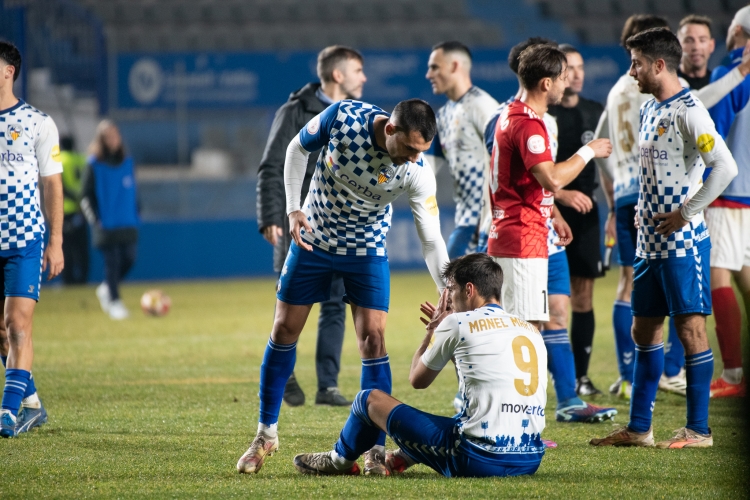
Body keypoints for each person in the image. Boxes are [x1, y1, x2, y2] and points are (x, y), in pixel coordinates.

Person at [237, 98, 450, 475]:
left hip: (366, 251)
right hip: (314, 240)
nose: (415, 159)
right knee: (284, 328)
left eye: (422, 152)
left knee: (374, 339)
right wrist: (292, 208)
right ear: (390, 130)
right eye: (410, 148)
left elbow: (431, 239)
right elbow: (296, 148)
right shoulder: (344, 117)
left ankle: (374, 448)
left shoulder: (417, 172)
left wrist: (445, 288)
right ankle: (265, 435)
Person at [591, 28, 738, 449]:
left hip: (683, 242)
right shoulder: (649, 109)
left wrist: (686, 213)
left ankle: (699, 430)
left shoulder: (689, 111)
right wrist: (642, 207)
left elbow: (724, 167)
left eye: (636, 62)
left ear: (659, 64)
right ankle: (640, 429)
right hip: (648, 244)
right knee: (644, 329)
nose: (631, 70)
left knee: (690, 329)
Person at [292, 254, 548, 478]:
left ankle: (339, 461)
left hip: (480, 459)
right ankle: (404, 457)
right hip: (531, 459)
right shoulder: (531, 331)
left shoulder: (458, 323)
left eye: (451, 290)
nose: (448, 299)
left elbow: (417, 379)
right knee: (466, 418)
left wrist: (433, 332)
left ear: (469, 290)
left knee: (367, 400)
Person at [483, 37, 616, 424]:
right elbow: (553, 178)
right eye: (562, 77)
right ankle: (514, 421)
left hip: (524, 233)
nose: (568, 82)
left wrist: (550, 211)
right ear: (546, 83)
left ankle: (521, 412)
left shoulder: (513, 113)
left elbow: (535, 185)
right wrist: (589, 151)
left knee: (526, 325)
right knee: (523, 332)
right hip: (521, 238)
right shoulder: (529, 125)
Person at [256, 46, 367, 407]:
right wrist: (271, 215)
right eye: (357, 70)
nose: (363, 77)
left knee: (335, 304)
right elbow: (272, 164)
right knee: (289, 302)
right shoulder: (295, 111)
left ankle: (327, 386)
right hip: (296, 221)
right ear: (338, 75)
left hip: (336, 225)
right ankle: (284, 373)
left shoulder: (357, 115)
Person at [0, 40, 64, 437]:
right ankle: (32, 403)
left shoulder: (38, 123)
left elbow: (52, 186)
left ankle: (6, 414)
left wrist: (55, 240)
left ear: (8, 71)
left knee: (17, 324)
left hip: (24, 238)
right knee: (1, 334)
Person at [547, 45, 606, 396]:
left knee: (583, 298)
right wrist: (561, 195)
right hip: (551, 211)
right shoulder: (546, 116)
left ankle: (580, 377)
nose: (578, 73)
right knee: (554, 302)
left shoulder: (595, 112)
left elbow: (607, 169)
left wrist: (612, 211)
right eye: (571, 67)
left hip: (587, 216)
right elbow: (536, 173)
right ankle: (556, 377)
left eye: (582, 67)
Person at [705, 5, 750, 398]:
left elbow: (713, 139)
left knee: (719, 276)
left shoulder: (729, 75)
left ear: (736, 30)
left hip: (730, 193)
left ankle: (733, 375)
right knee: (746, 277)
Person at [424, 41, 499, 260]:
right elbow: (426, 167)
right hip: (466, 220)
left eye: (435, 67)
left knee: (453, 286)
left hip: (485, 221)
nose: (429, 74)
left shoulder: (483, 106)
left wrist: (492, 216)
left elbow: (503, 161)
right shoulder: (444, 114)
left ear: (455, 66)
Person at [80, 120, 139, 321]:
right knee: (112, 261)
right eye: (109, 137)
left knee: (129, 258)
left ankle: (107, 288)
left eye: (116, 135)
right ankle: (114, 301)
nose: (114, 140)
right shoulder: (94, 165)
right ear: (102, 140)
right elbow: (85, 195)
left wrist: (137, 209)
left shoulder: (127, 162)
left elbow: (132, 190)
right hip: (106, 223)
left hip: (127, 221)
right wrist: (95, 218)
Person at [60, 136, 89, 285]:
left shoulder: (60, 160)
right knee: (82, 247)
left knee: (66, 248)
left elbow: (60, 186)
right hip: (82, 210)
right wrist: (81, 201)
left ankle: (68, 280)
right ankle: (82, 279)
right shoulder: (82, 159)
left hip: (66, 210)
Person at [677, 15, 716, 90]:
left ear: (711, 45)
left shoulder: (719, 84)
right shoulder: (667, 84)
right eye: (689, 40)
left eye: (702, 40)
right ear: (677, 45)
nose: (696, 47)